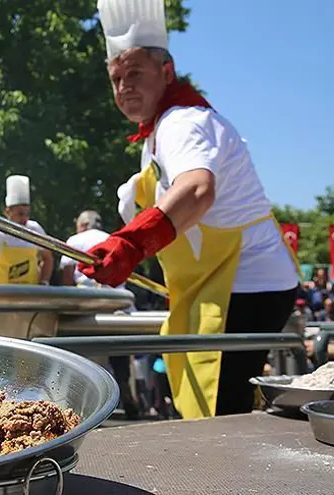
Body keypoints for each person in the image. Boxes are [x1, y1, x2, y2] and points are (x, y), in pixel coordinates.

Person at [80, 0, 300, 418]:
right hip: (215, 283)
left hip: (244, 285)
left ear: (167, 72)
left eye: (135, 74)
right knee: (204, 392)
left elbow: (198, 190)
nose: (124, 87)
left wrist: (131, 244)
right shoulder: (159, 132)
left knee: (220, 404)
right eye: (116, 79)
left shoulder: (183, 122)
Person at [0, 175, 54, 285]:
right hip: (1, 293)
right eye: (20, 214)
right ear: (8, 212)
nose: (24, 219)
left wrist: (44, 282)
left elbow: (48, 258)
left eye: (27, 214)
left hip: (30, 293)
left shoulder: (35, 230)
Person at [60, 211, 113, 287]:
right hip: (112, 290)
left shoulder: (74, 240)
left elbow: (68, 268)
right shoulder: (111, 239)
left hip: (85, 290)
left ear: (83, 225)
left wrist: (67, 291)